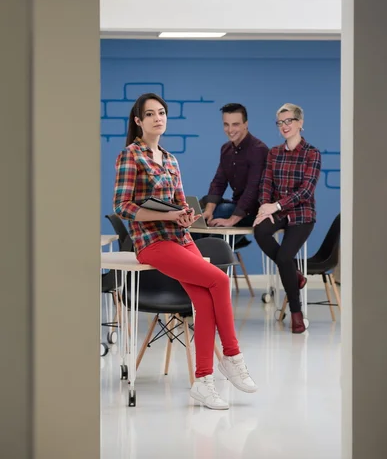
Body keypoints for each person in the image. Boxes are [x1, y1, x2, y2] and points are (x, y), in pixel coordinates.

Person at [113, 92, 258, 410]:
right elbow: (122, 206)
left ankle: (203, 383)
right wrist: (167, 216)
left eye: (161, 112)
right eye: (150, 114)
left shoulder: (170, 158)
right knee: (219, 280)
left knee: (204, 301)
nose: (158, 118)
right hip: (152, 243)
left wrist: (184, 214)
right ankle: (232, 356)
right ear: (138, 121)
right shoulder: (131, 156)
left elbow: (179, 203)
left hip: (181, 237)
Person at [253, 103, 321, 334]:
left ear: (300, 123)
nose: (284, 126)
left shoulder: (312, 153)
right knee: (260, 231)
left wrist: (276, 205)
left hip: (302, 213)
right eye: (280, 122)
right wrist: (264, 208)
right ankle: (294, 274)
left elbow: (306, 191)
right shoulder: (274, 153)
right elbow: (266, 183)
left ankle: (296, 311)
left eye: (289, 121)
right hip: (277, 211)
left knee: (283, 256)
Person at [201, 103, 268, 245]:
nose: (230, 130)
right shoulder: (226, 149)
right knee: (199, 216)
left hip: (256, 211)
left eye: (235, 124)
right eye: (226, 124)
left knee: (222, 211)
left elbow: (253, 190)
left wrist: (231, 220)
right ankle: (200, 258)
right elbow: (218, 182)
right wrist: (208, 211)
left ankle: (211, 256)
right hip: (236, 206)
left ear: (246, 124)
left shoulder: (258, 150)